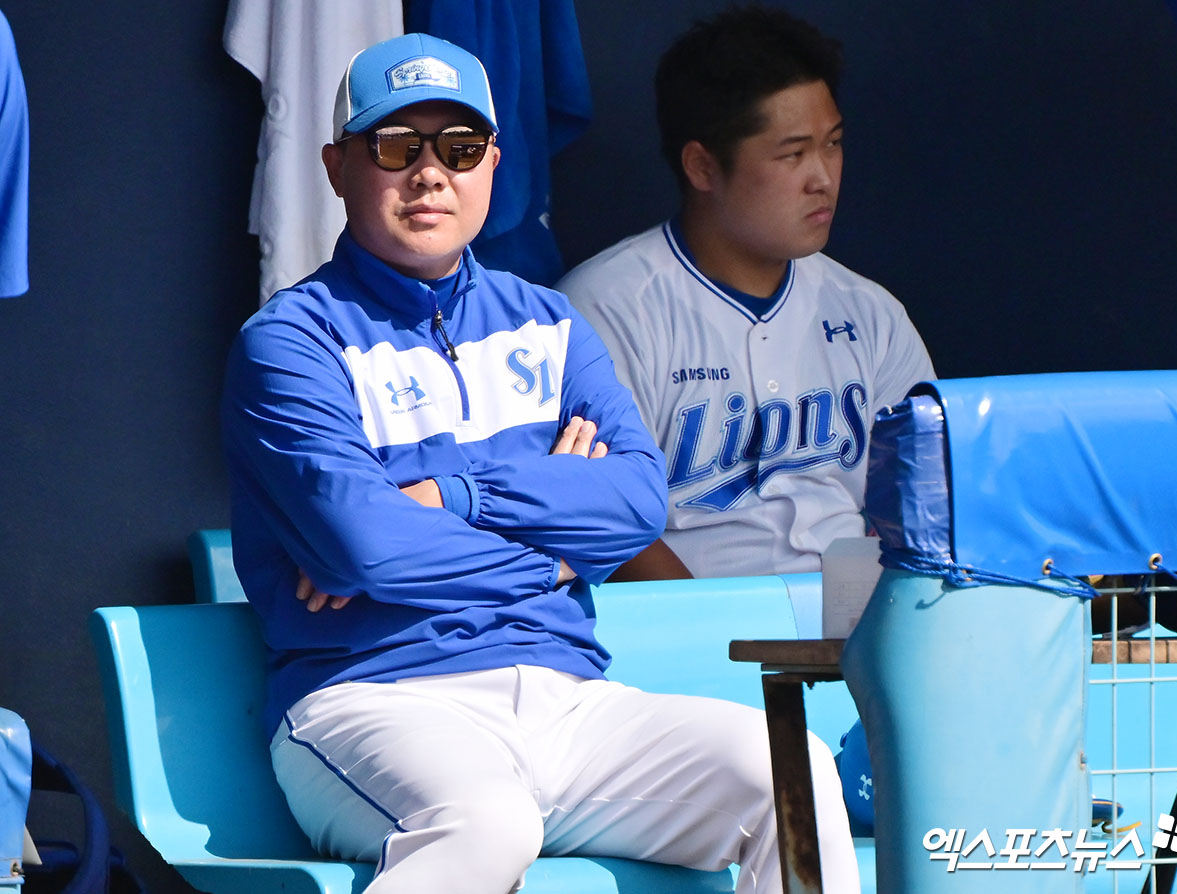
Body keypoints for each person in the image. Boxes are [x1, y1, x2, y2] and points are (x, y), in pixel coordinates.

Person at [220, 32, 859, 894]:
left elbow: (635, 505)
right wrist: (556, 550)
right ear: (338, 167)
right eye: (396, 146)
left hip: (567, 696)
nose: (430, 173)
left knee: (793, 776)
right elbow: (361, 548)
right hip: (376, 698)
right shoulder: (292, 341)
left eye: (459, 147)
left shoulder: (548, 321)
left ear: (492, 161)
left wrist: (451, 494)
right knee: (484, 825)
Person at [557, 6, 935, 581]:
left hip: (851, 620)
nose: (824, 177)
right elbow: (598, 518)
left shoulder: (870, 312)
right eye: (793, 153)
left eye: (832, 144)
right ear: (702, 167)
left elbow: (923, 502)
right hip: (683, 634)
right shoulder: (605, 308)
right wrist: (713, 644)